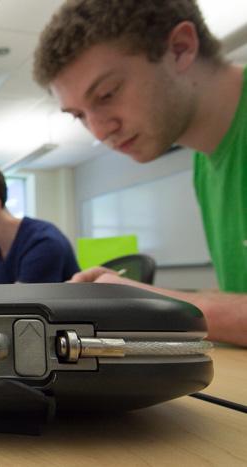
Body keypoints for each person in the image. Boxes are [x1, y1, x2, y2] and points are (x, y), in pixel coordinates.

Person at [33, 0, 246, 346]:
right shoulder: (205, 163)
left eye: (106, 94)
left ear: (180, 48)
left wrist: (143, 297)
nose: (99, 131)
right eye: (79, 115)